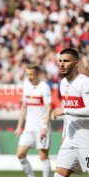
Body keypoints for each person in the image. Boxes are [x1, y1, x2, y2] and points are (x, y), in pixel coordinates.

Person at [53, 48, 89, 177]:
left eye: (66, 61)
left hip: (86, 139)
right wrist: (64, 134)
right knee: (59, 174)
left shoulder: (84, 83)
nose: (62, 64)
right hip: (70, 139)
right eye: (60, 61)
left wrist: (65, 110)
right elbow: (68, 114)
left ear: (76, 62)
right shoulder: (63, 83)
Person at [14, 64, 52, 177]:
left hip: (41, 127)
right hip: (29, 127)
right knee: (20, 154)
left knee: (43, 157)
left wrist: (44, 127)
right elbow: (24, 107)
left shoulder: (44, 87)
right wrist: (19, 126)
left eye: (32, 74)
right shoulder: (26, 86)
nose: (29, 77)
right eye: (27, 74)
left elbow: (49, 108)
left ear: (38, 74)